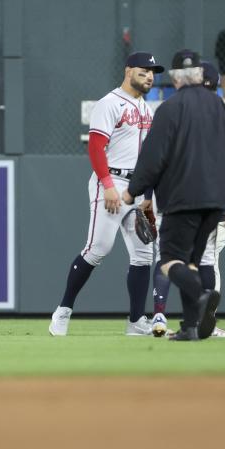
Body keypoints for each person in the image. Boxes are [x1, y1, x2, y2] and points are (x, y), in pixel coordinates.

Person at [124, 50, 225, 341]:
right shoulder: (219, 106)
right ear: (199, 75)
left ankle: (202, 295)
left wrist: (133, 190)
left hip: (181, 200)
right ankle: (191, 327)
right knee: (194, 263)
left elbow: (152, 157)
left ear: (173, 79)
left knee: (170, 261)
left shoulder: (169, 109)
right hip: (215, 202)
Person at [48, 52, 164, 337]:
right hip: (110, 180)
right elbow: (96, 147)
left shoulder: (146, 108)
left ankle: (137, 321)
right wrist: (108, 185)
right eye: (144, 70)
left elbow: (149, 157)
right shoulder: (109, 103)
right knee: (98, 249)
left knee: (143, 254)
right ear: (128, 71)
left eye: (153, 71)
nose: (149, 75)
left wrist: (147, 194)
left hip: (137, 187)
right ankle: (63, 311)